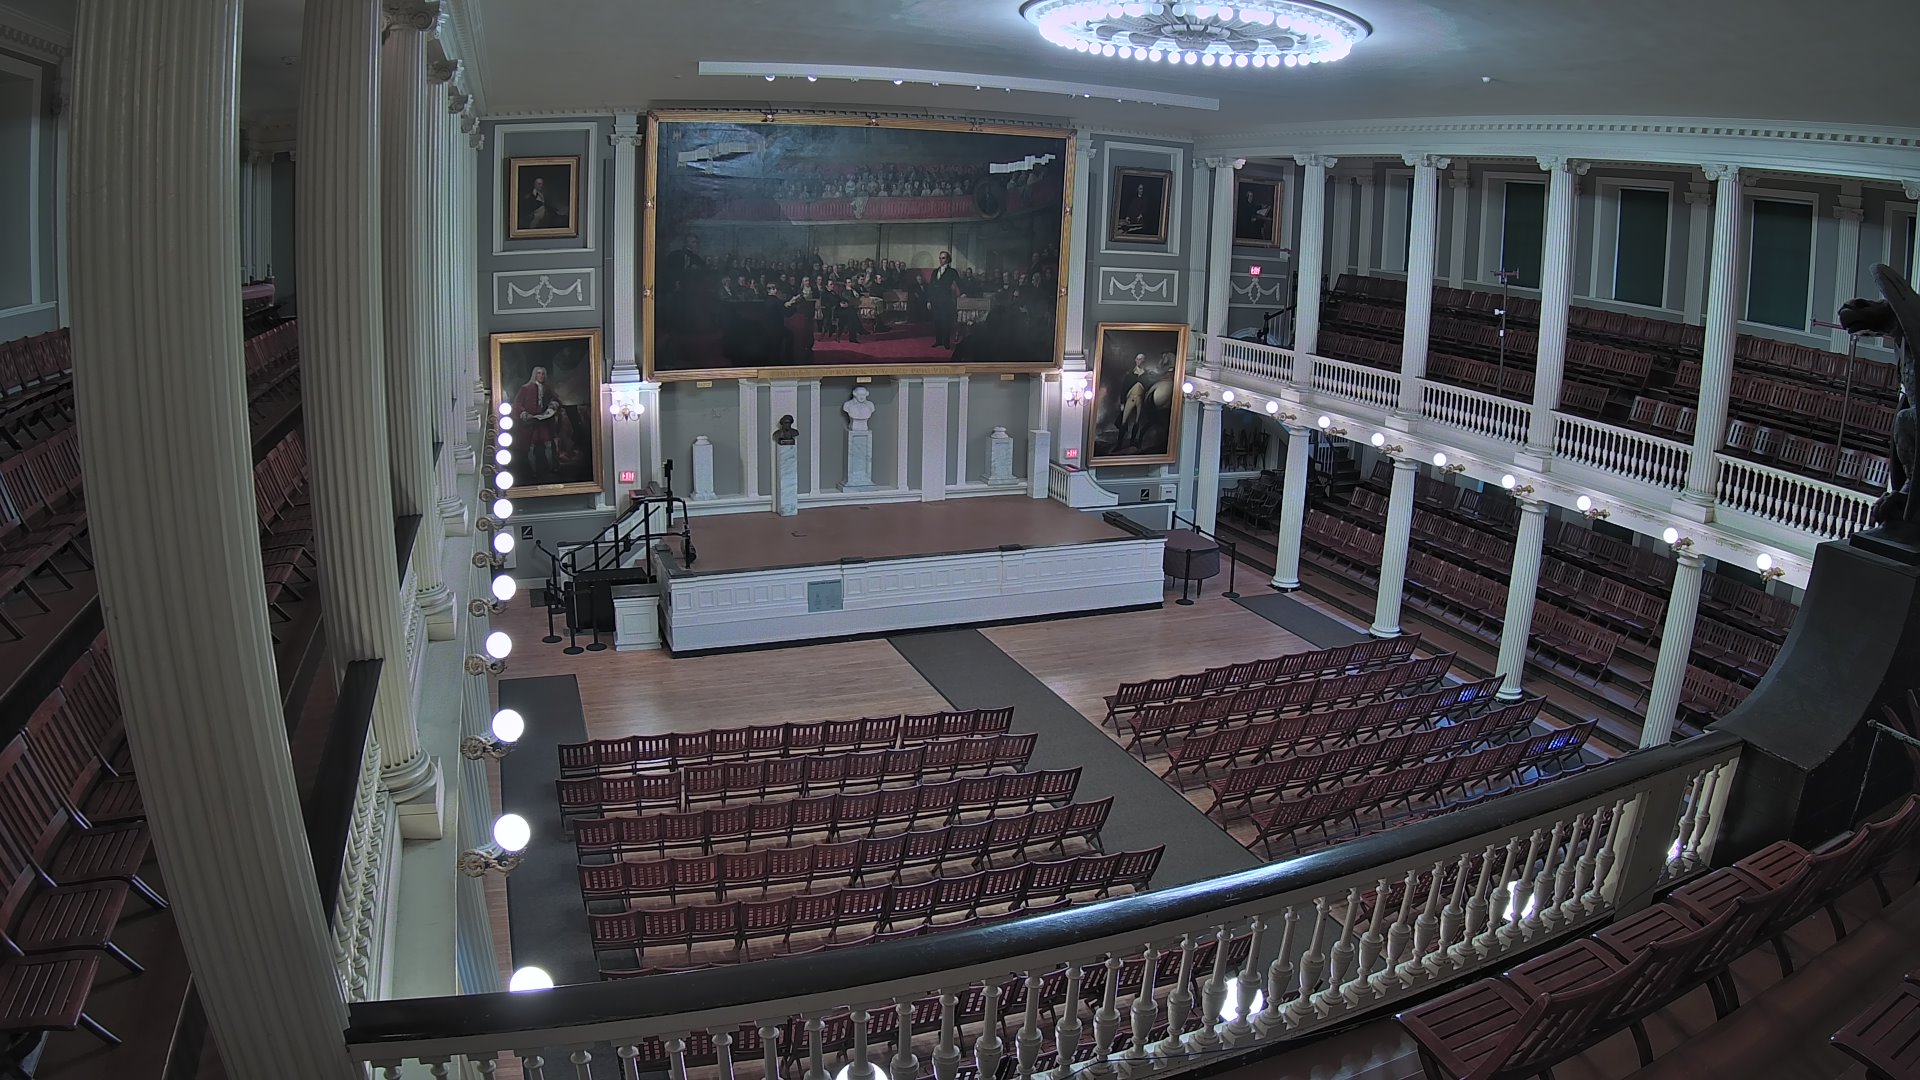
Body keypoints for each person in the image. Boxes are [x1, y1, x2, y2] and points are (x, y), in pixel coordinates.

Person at [512, 365, 561, 478]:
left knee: (548, 444)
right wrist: (524, 413)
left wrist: (552, 406)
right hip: (530, 422)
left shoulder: (548, 389)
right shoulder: (525, 388)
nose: (541, 376)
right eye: (539, 373)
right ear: (534, 374)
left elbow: (555, 400)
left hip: (544, 421)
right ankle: (533, 471)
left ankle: (551, 468)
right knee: (531, 446)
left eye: (543, 373)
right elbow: (517, 404)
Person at [928, 250, 961, 349]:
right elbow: (930, 287)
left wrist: (960, 293)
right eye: (940, 258)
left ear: (948, 259)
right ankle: (938, 341)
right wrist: (929, 300)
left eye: (943, 258)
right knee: (937, 321)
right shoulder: (935, 271)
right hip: (935, 301)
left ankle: (946, 343)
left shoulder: (952, 272)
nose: (941, 260)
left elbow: (958, 284)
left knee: (946, 322)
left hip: (946, 301)